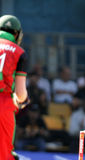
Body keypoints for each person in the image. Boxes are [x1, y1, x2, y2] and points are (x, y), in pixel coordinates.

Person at [0, 15, 29, 160]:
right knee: (4, 154)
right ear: (16, 34)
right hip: (3, 106)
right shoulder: (19, 53)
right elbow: (21, 94)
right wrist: (23, 99)